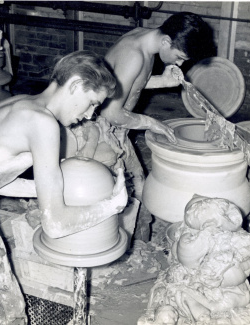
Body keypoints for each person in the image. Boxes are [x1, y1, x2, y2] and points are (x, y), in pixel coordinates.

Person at [0, 50, 127, 325]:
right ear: (76, 85)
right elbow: (55, 225)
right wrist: (112, 205)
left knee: (5, 304)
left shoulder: (24, 104)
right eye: (92, 103)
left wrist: (49, 190)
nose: (91, 115)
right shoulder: (43, 123)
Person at [75, 12, 215, 242]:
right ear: (166, 42)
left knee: (142, 190)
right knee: (106, 198)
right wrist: (150, 122)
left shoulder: (145, 39)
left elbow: (131, 82)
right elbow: (112, 112)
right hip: (98, 132)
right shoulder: (134, 54)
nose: (179, 64)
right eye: (179, 57)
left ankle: (137, 247)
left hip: (117, 129)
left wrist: (164, 80)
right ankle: (107, 249)